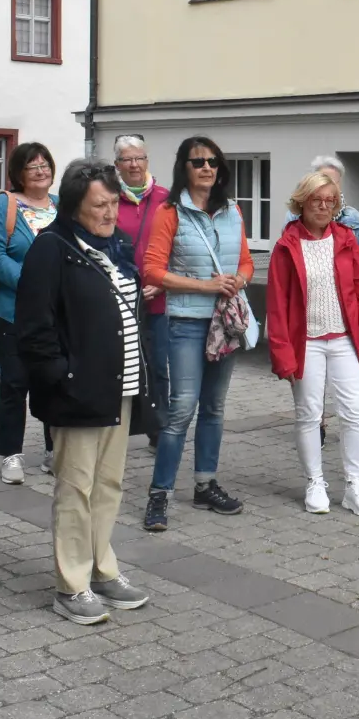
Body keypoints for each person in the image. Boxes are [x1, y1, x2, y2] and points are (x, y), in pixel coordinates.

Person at [16, 160, 155, 625]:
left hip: (120, 387)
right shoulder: (51, 248)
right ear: (75, 206)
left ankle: (102, 568)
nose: (110, 212)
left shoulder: (116, 247)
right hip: (77, 392)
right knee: (75, 488)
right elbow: (35, 329)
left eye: (115, 203)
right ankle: (71, 584)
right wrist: (63, 377)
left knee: (109, 484)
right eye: (100, 204)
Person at [140, 136, 254, 531]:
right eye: (198, 162)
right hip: (187, 322)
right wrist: (207, 286)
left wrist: (238, 279)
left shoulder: (233, 210)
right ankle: (160, 493)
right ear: (184, 168)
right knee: (181, 410)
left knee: (214, 408)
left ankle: (205, 484)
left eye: (212, 162)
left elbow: (245, 261)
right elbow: (152, 271)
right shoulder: (170, 212)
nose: (206, 168)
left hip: (224, 323)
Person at [267, 171, 359, 516]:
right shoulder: (287, 246)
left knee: (354, 412)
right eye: (317, 200)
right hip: (307, 343)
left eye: (331, 201)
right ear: (301, 202)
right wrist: (282, 354)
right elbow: (277, 304)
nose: (324, 207)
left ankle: (354, 485)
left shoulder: (345, 238)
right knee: (309, 415)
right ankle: (315, 482)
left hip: (345, 339)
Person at [0, 142, 59, 485]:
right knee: (15, 381)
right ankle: (11, 455)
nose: (41, 171)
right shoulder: (5, 204)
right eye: (33, 166)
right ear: (18, 173)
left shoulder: (61, 205)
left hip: (56, 314)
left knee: (54, 380)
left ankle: (54, 451)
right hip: (12, 311)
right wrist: (30, 283)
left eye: (45, 164)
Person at [113, 135, 171, 438]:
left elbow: (178, 246)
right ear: (117, 165)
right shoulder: (108, 198)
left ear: (147, 161)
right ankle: (119, 427)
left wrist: (162, 282)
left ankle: (159, 429)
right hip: (119, 300)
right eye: (127, 159)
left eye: (139, 158)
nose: (134, 165)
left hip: (158, 299)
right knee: (123, 365)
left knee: (159, 367)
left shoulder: (165, 198)